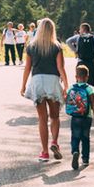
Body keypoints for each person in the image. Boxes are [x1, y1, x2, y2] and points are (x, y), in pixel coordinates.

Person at [20, 17, 68, 162]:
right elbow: (61, 67)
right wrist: (66, 84)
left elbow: (27, 68)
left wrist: (23, 85)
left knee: (42, 119)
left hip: (37, 81)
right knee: (55, 116)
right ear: (52, 30)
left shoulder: (31, 46)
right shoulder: (56, 46)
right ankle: (54, 142)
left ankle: (45, 152)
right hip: (52, 81)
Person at [65, 64, 94, 170]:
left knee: (75, 136)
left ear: (76, 77)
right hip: (86, 117)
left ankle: (75, 151)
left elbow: (67, 99)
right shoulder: (89, 89)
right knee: (85, 138)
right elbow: (93, 103)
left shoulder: (71, 88)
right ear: (87, 77)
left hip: (75, 117)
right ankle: (85, 159)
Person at [65, 22, 94, 87]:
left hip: (81, 63)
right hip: (91, 64)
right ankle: (89, 96)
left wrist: (76, 51)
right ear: (89, 30)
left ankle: (81, 96)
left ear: (83, 29)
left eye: (80, 29)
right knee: (90, 86)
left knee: (80, 85)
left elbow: (68, 41)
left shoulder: (78, 37)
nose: (79, 31)